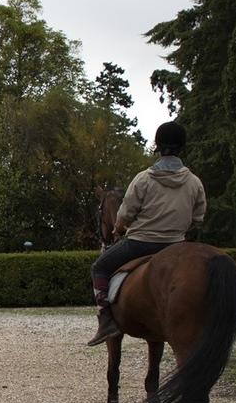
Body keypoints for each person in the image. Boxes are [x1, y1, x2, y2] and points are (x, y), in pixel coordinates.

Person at [87, 120, 207, 345]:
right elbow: (198, 218)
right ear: (182, 147)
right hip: (176, 245)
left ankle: (105, 319)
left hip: (140, 243)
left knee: (100, 267)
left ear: (158, 146)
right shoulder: (194, 182)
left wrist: (119, 228)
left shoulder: (143, 179)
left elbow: (125, 214)